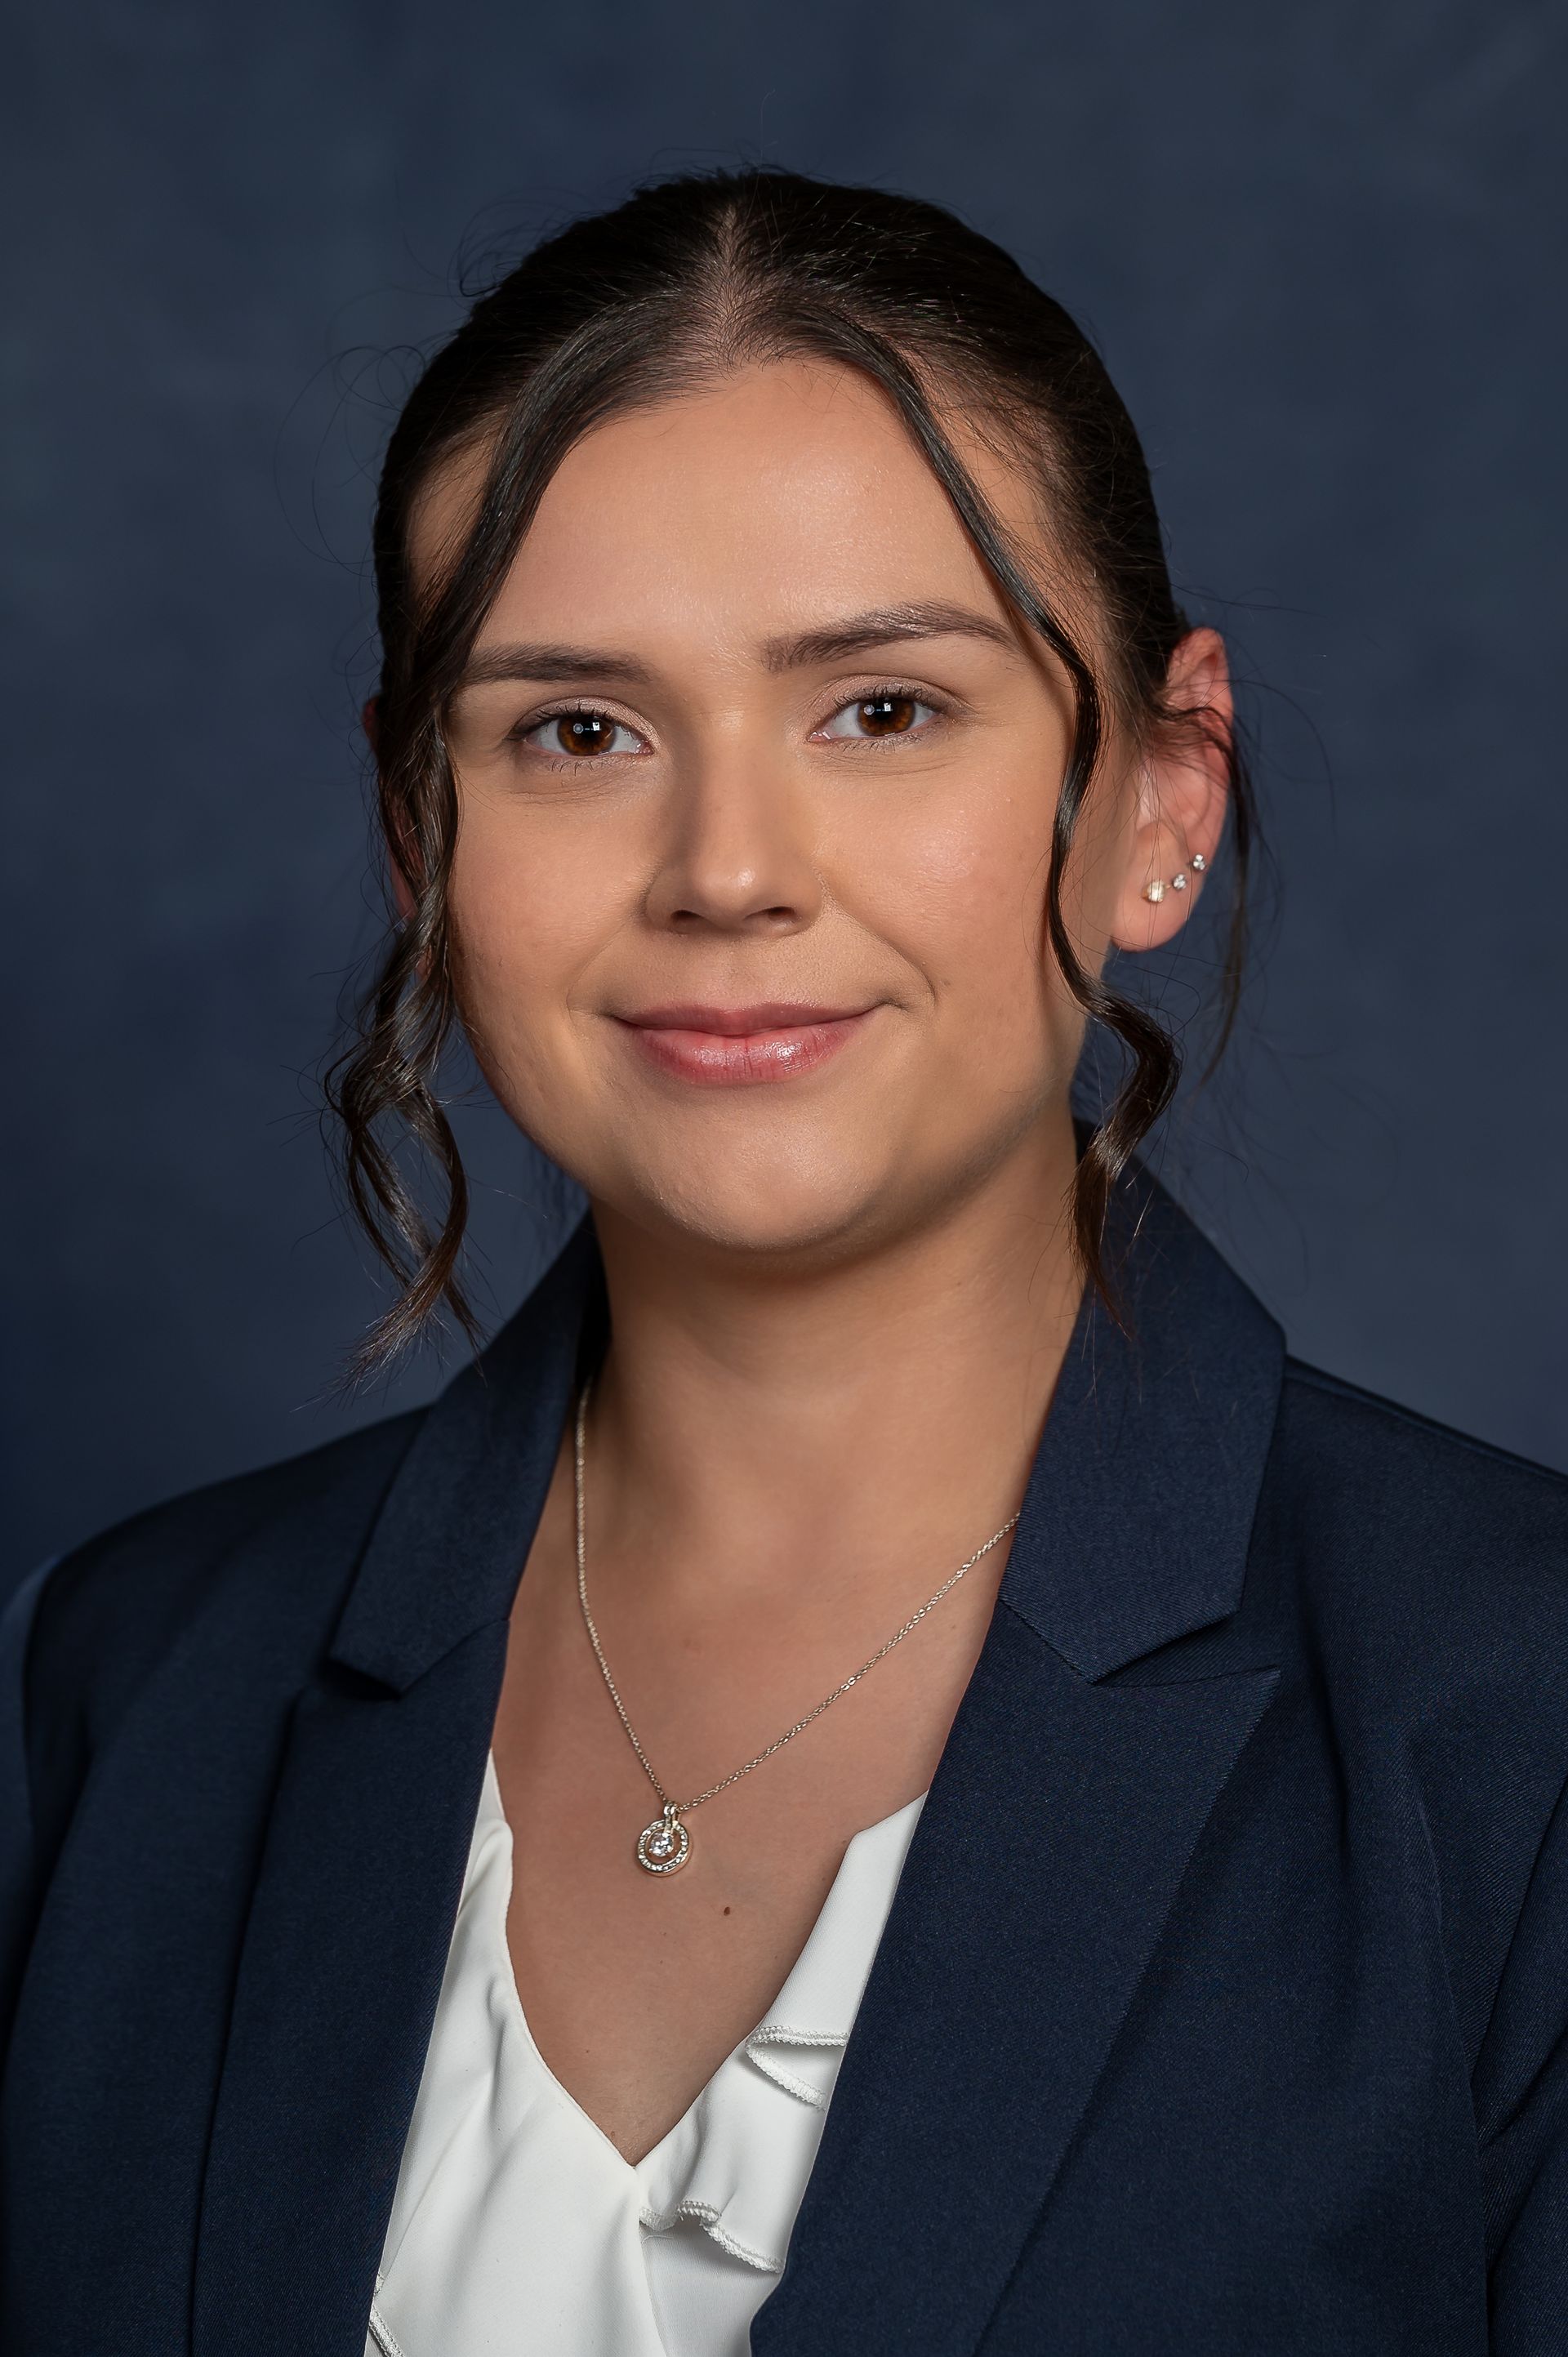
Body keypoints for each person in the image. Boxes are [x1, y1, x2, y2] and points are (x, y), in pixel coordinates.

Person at [3, 167, 1565, 2357]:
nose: (728, 867)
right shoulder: (131, 1683)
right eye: (578, 732)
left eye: (885, 710)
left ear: (1161, 796)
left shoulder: (1513, 1722)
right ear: (413, 834)